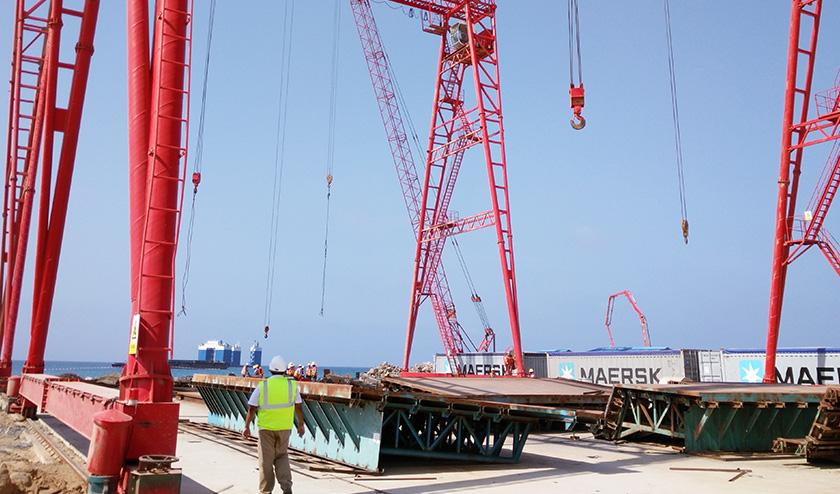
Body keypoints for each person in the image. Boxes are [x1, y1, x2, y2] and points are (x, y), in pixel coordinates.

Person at [243, 356, 305, 494]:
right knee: (282, 457)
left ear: (270, 370)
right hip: (284, 428)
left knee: (266, 462)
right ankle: (286, 487)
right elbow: (299, 407)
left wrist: (247, 426)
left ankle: (266, 491)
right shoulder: (291, 385)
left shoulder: (263, 385)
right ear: (284, 371)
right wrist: (301, 424)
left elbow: (252, 407)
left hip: (266, 429)